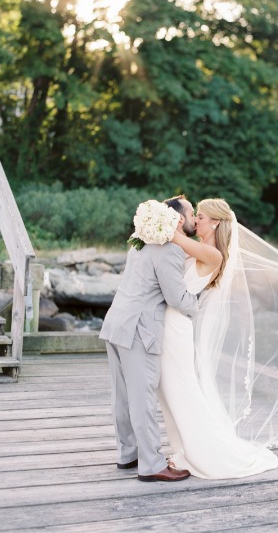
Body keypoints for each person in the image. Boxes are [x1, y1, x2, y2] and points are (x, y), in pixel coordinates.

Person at [158, 197, 278, 479]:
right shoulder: (198, 248)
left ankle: (202, 452)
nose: (194, 220)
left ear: (215, 223)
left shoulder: (211, 253)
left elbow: (173, 238)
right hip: (169, 326)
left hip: (174, 329)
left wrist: (155, 220)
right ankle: (185, 447)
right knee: (171, 392)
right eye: (195, 215)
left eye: (200, 216)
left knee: (181, 390)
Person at [99, 195, 199, 482]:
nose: (193, 218)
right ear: (179, 219)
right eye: (191, 213)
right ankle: (152, 464)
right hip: (140, 331)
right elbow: (176, 297)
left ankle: (127, 454)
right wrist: (201, 303)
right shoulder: (168, 250)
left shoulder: (140, 242)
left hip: (116, 323)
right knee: (142, 397)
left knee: (122, 395)